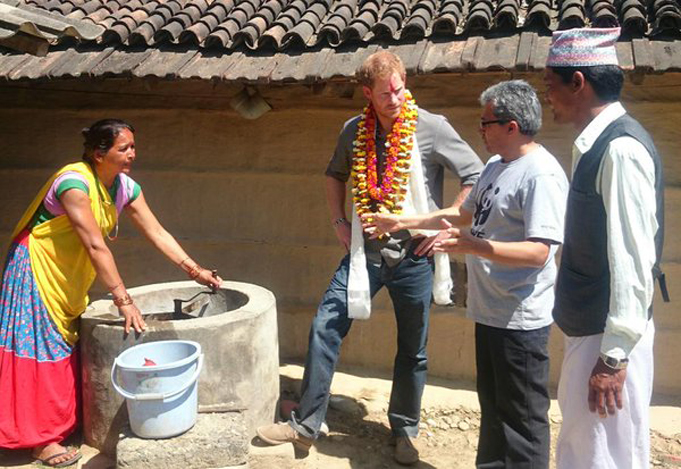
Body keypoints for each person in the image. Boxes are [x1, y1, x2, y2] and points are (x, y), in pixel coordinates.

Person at [256, 50, 483, 465]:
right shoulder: (353, 131)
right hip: (365, 254)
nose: (395, 98)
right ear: (367, 93)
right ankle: (306, 425)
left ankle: (405, 431)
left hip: (415, 255)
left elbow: (477, 175)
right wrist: (339, 222)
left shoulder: (431, 127)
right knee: (325, 325)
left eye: (399, 89)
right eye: (385, 93)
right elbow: (333, 174)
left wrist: (445, 227)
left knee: (413, 348)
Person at [365, 80, 568, 468]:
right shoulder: (495, 166)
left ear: (512, 126)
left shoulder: (540, 175)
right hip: (489, 310)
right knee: (492, 411)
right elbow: (463, 214)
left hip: (520, 321)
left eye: (486, 123)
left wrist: (472, 245)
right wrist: (403, 220)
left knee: (522, 423)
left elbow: (539, 251)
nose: (481, 131)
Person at [0, 119, 222, 468]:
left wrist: (196, 271)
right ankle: (39, 440)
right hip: (38, 269)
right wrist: (123, 300)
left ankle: (59, 425)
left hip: (69, 274)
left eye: (133, 146)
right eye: (124, 148)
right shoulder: (73, 183)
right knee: (40, 349)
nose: (132, 153)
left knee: (63, 347)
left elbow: (157, 232)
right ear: (98, 153)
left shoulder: (123, 187)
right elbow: (94, 244)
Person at [544, 27, 666, 468]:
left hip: (607, 338)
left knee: (606, 457)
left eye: (550, 85)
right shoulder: (597, 144)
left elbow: (633, 259)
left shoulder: (620, 150)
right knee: (584, 449)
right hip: (593, 330)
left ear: (578, 82)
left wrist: (613, 357)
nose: (548, 97)